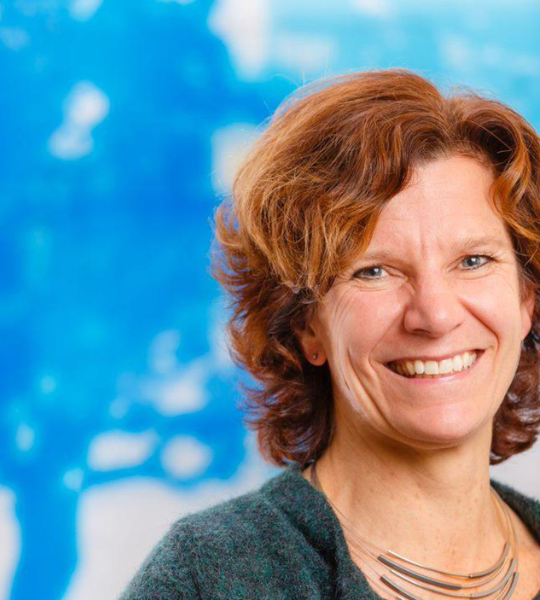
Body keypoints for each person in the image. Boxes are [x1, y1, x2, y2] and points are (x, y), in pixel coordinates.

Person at [120, 68, 540, 600]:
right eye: (374, 271)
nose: (435, 316)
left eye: (474, 260)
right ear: (304, 325)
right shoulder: (209, 578)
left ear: (526, 299)